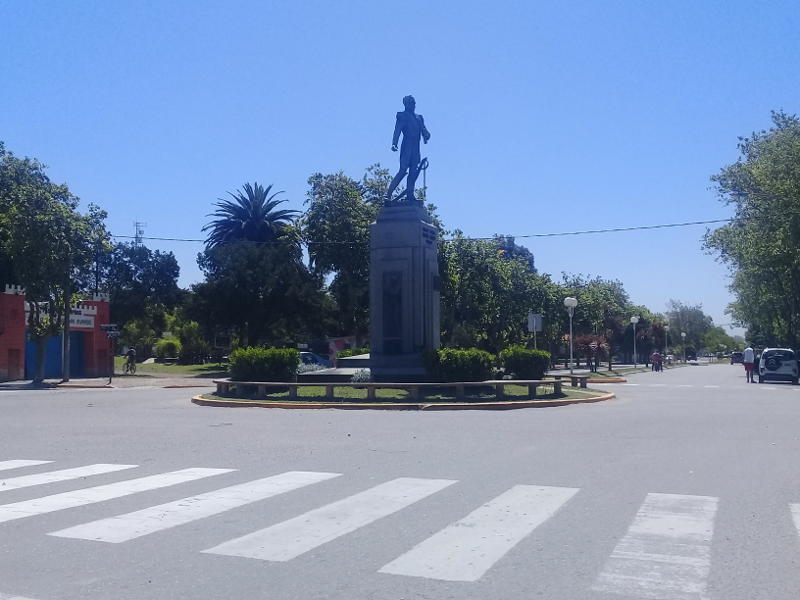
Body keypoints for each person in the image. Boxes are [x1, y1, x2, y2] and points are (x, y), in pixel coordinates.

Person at [385, 95, 431, 203]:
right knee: (402, 170)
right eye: (411, 103)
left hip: (416, 147)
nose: (413, 105)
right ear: (406, 104)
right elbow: (397, 129)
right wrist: (394, 143)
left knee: (413, 171)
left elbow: (425, 131)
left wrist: (426, 134)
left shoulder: (419, 118)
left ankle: (410, 195)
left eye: (414, 103)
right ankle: (388, 194)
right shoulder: (402, 116)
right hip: (407, 145)